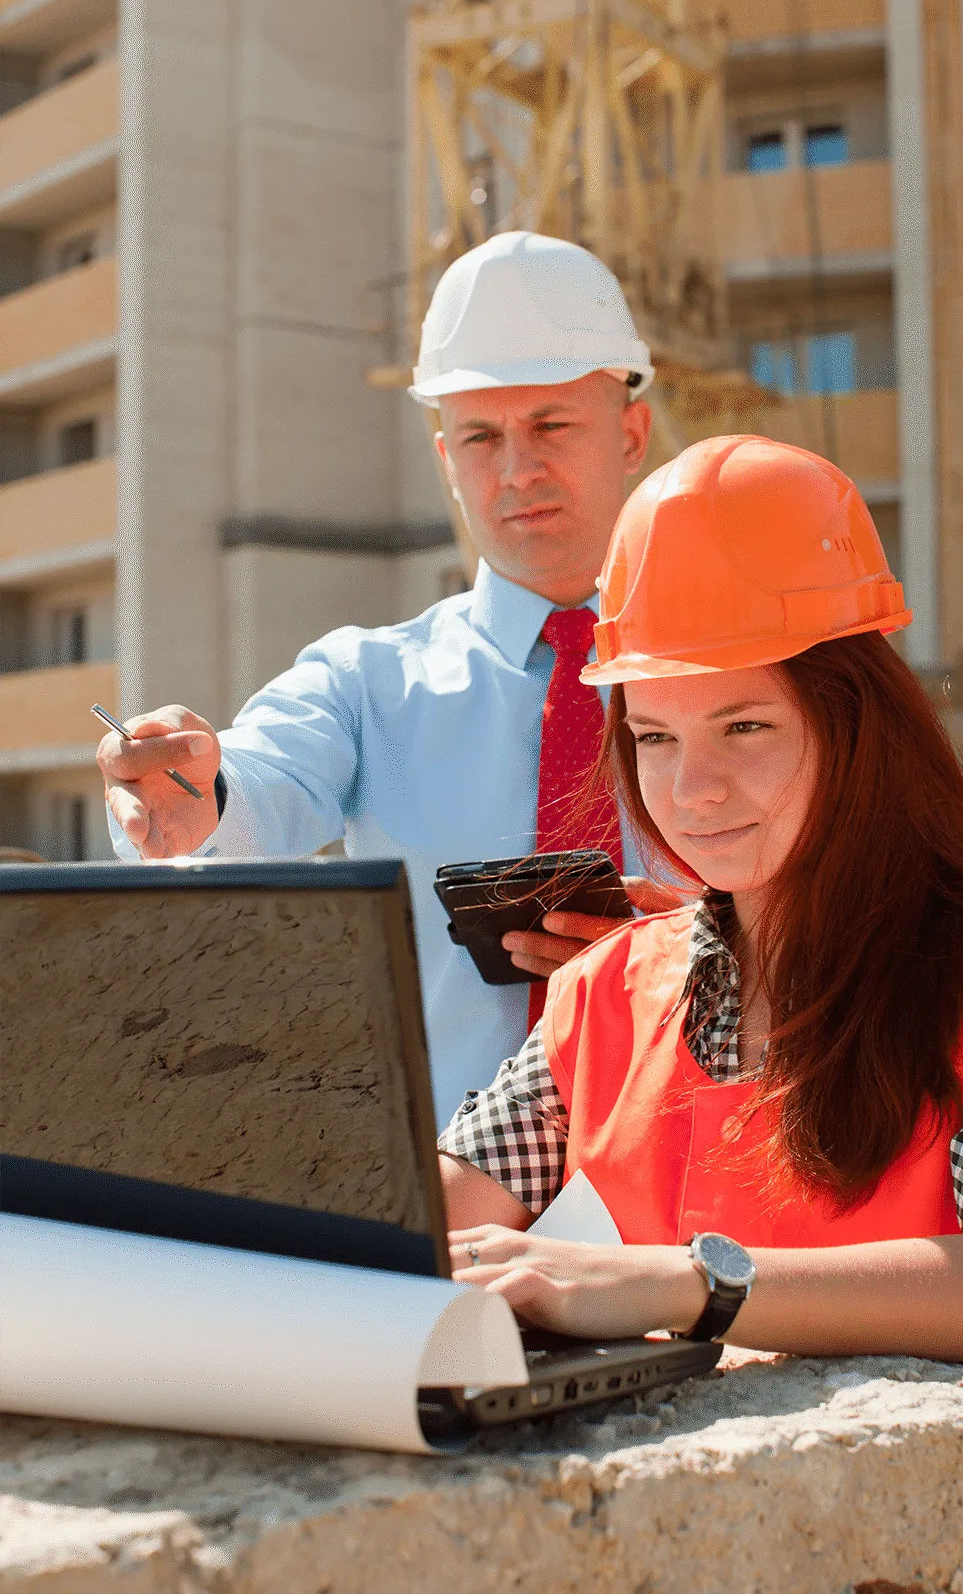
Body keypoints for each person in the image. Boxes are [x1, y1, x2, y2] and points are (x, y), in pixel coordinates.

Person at [440, 434, 963, 1537]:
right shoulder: (610, 991)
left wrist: (677, 1282)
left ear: (854, 729)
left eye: (743, 725)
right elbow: (434, 1215)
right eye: (654, 734)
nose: (692, 789)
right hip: (707, 1539)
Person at [97, 233, 677, 1120]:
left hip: (689, 1204)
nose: (517, 470)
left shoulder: (747, 676)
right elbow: (255, 789)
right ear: (447, 465)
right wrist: (193, 796)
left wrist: (696, 948)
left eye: (552, 425)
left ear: (630, 434)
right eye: (479, 436)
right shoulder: (365, 681)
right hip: (447, 1212)